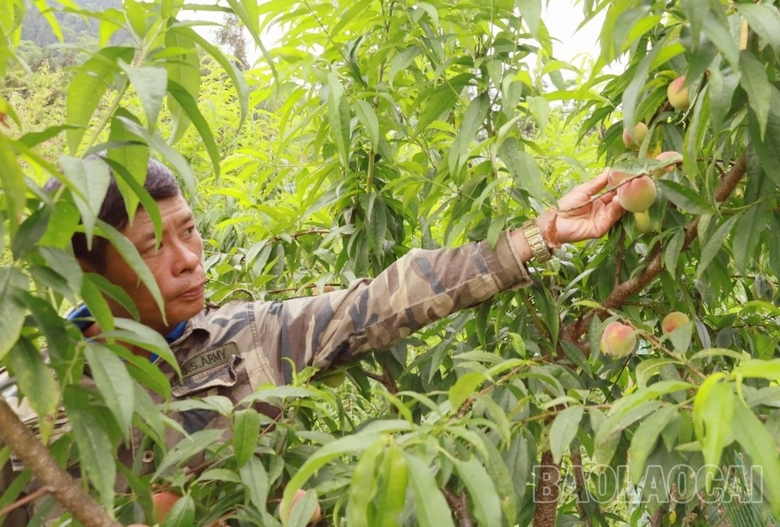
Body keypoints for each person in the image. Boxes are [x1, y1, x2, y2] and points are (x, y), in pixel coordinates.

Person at [1, 157, 624, 525]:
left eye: (190, 231)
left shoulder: (247, 336)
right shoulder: (29, 405)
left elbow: (378, 301)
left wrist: (539, 236)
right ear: (84, 271)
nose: (190, 260)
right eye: (152, 250)